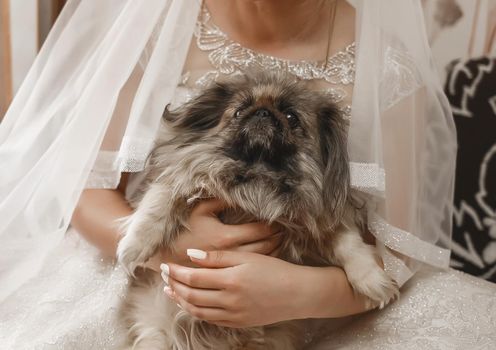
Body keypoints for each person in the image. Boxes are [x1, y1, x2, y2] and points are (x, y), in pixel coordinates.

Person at [0, 0, 495, 349]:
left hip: (313, 306)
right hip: (142, 276)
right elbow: (83, 189)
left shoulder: (389, 66)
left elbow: (399, 251)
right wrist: (170, 248)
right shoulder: (151, 23)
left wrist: (304, 293)